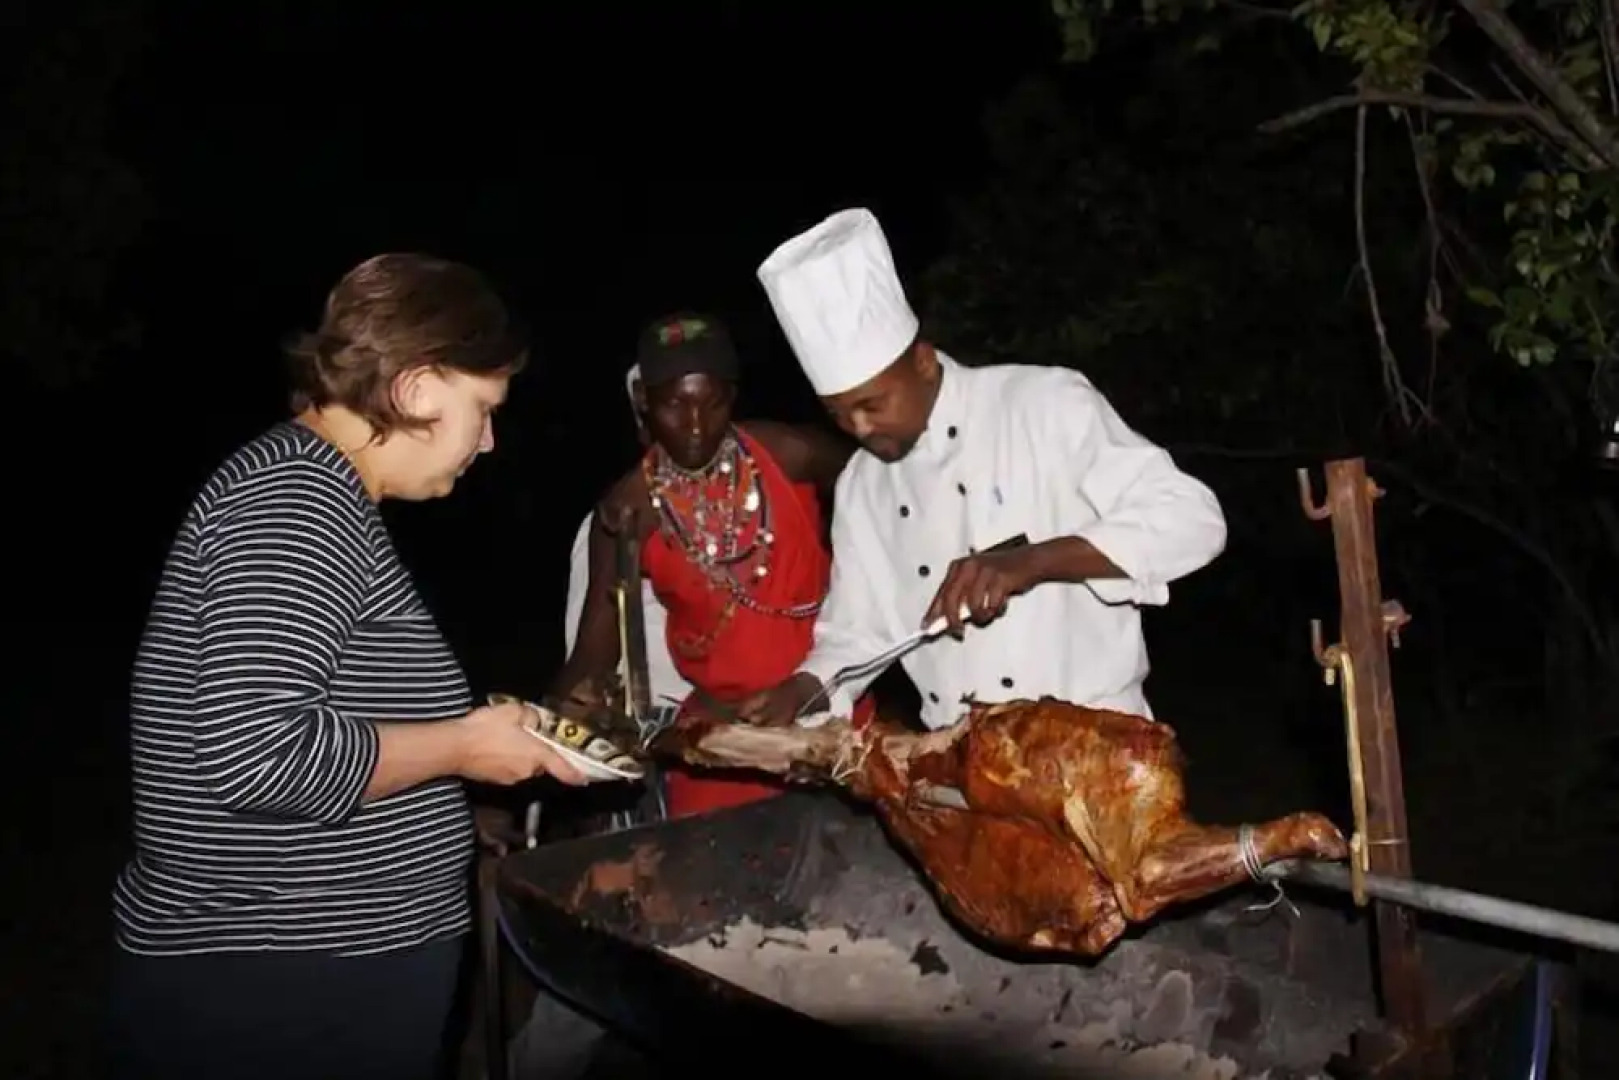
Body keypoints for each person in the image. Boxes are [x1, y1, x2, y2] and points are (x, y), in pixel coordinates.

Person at [107, 253, 591, 1080]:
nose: (490, 440)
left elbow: (310, 725)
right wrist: (462, 750)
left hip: (300, 977)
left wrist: (441, 798)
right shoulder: (295, 501)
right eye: (484, 408)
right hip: (280, 990)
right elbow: (254, 752)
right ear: (415, 389)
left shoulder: (310, 490)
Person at [737, 208, 1229, 730]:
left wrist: (1033, 561)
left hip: (1097, 744)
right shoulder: (863, 486)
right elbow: (858, 631)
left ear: (923, 362)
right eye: (838, 415)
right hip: (963, 762)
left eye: (873, 404)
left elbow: (1192, 520)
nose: (858, 428)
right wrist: (808, 686)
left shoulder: (1043, 404)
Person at [550, 311, 859, 817]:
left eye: (713, 404)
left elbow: (888, 502)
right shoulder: (628, 514)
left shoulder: (790, 454)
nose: (696, 426)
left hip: (830, 707)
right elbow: (594, 657)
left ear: (732, 397)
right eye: (675, 405)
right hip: (723, 742)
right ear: (645, 403)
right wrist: (550, 719)